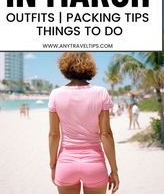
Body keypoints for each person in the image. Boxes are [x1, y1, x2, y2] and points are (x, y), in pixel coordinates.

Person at [48, 52, 119, 194]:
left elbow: (54, 135)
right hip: (94, 165)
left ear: (64, 68)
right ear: (89, 67)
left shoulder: (56, 94)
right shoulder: (101, 92)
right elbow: (105, 134)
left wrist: (53, 166)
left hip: (66, 164)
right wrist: (114, 170)